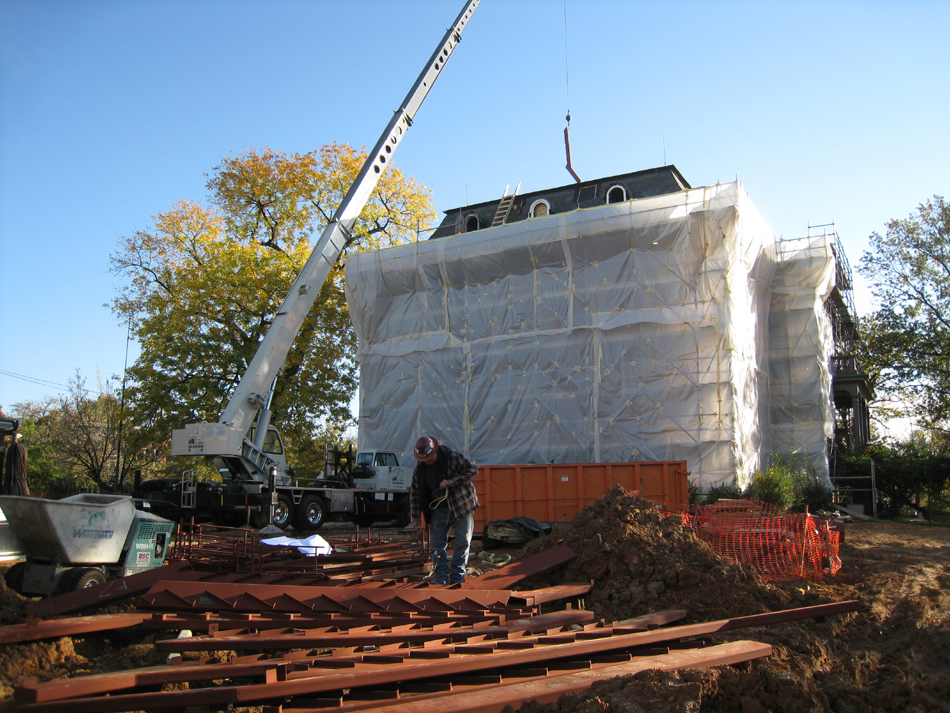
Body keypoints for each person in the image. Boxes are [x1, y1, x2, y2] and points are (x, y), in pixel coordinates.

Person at [409, 435, 479, 585]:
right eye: (424, 460)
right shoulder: (420, 470)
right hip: (438, 510)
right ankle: (441, 579)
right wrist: (415, 517)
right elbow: (415, 493)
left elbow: (472, 470)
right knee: (437, 547)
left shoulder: (453, 457)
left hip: (461, 507)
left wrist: (452, 482)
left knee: (463, 543)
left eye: (429, 458)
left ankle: (457, 578)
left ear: (435, 450)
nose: (427, 461)